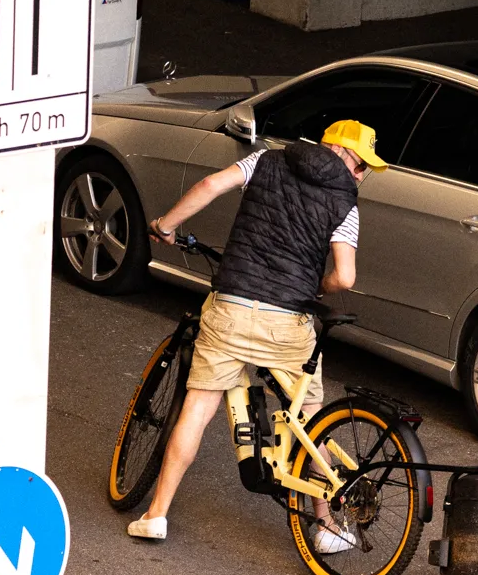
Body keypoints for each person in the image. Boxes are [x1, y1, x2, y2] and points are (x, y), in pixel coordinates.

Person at [126, 119, 384, 550]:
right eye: (362, 167)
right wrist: (315, 286)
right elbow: (345, 277)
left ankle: (156, 515)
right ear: (341, 155)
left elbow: (210, 185)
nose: (360, 177)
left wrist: (166, 225)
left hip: (232, 307)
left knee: (197, 409)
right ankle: (327, 526)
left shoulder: (267, 160)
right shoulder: (346, 205)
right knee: (313, 420)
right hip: (288, 322)